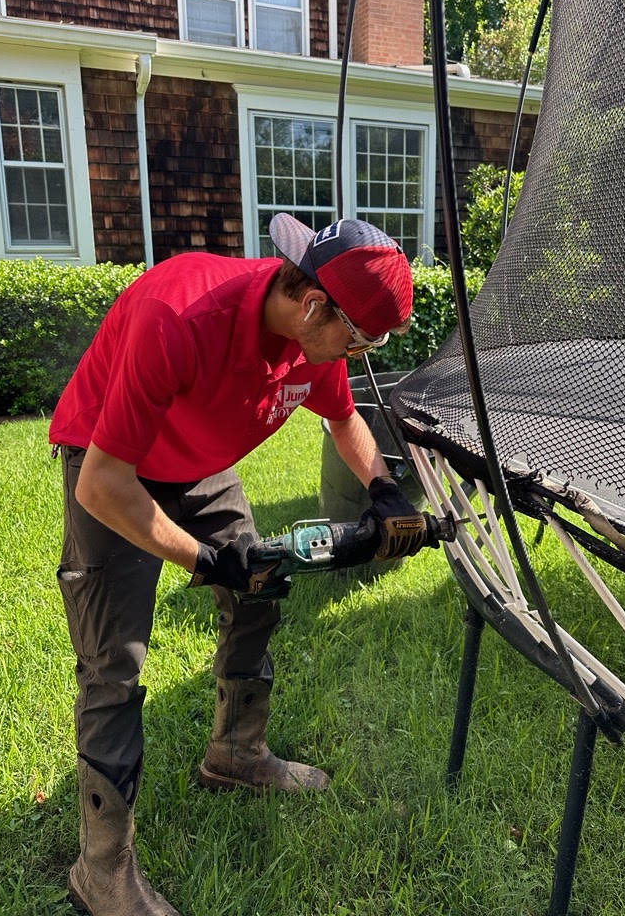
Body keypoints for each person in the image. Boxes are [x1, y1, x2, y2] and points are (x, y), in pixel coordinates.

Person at [49, 213, 421, 916]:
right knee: (113, 664)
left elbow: (344, 420)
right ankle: (102, 871)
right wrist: (208, 560)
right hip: (111, 463)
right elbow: (103, 483)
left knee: (262, 587)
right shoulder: (180, 315)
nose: (361, 352)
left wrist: (384, 491)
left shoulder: (311, 340)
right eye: (361, 337)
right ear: (313, 303)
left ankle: (236, 756)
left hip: (199, 463)